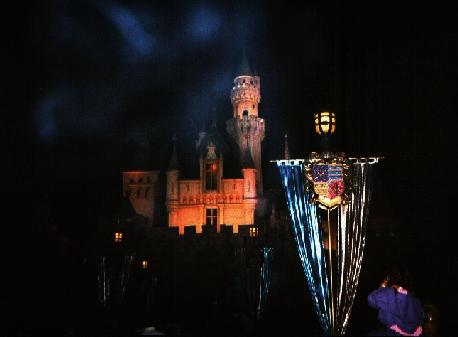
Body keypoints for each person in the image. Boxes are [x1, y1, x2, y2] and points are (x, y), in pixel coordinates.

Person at [367, 267, 425, 336]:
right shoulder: (415, 300)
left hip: (393, 333)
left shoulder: (389, 293)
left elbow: (372, 299)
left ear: (388, 278)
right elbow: (421, 317)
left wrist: (382, 287)